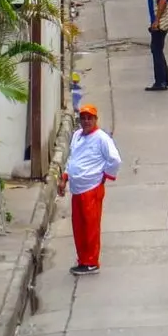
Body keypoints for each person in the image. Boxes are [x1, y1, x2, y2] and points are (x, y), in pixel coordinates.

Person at [59, 104, 121, 274]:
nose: (86, 121)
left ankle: (92, 261)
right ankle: (83, 260)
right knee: (78, 227)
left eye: (89, 118)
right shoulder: (77, 135)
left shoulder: (102, 138)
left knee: (91, 227)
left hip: (91, 188)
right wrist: (64, 178)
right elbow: (72, 158)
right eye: (83, 118)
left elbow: (115, 160)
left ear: (95, 119)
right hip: (77, 189)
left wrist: (104, 175)